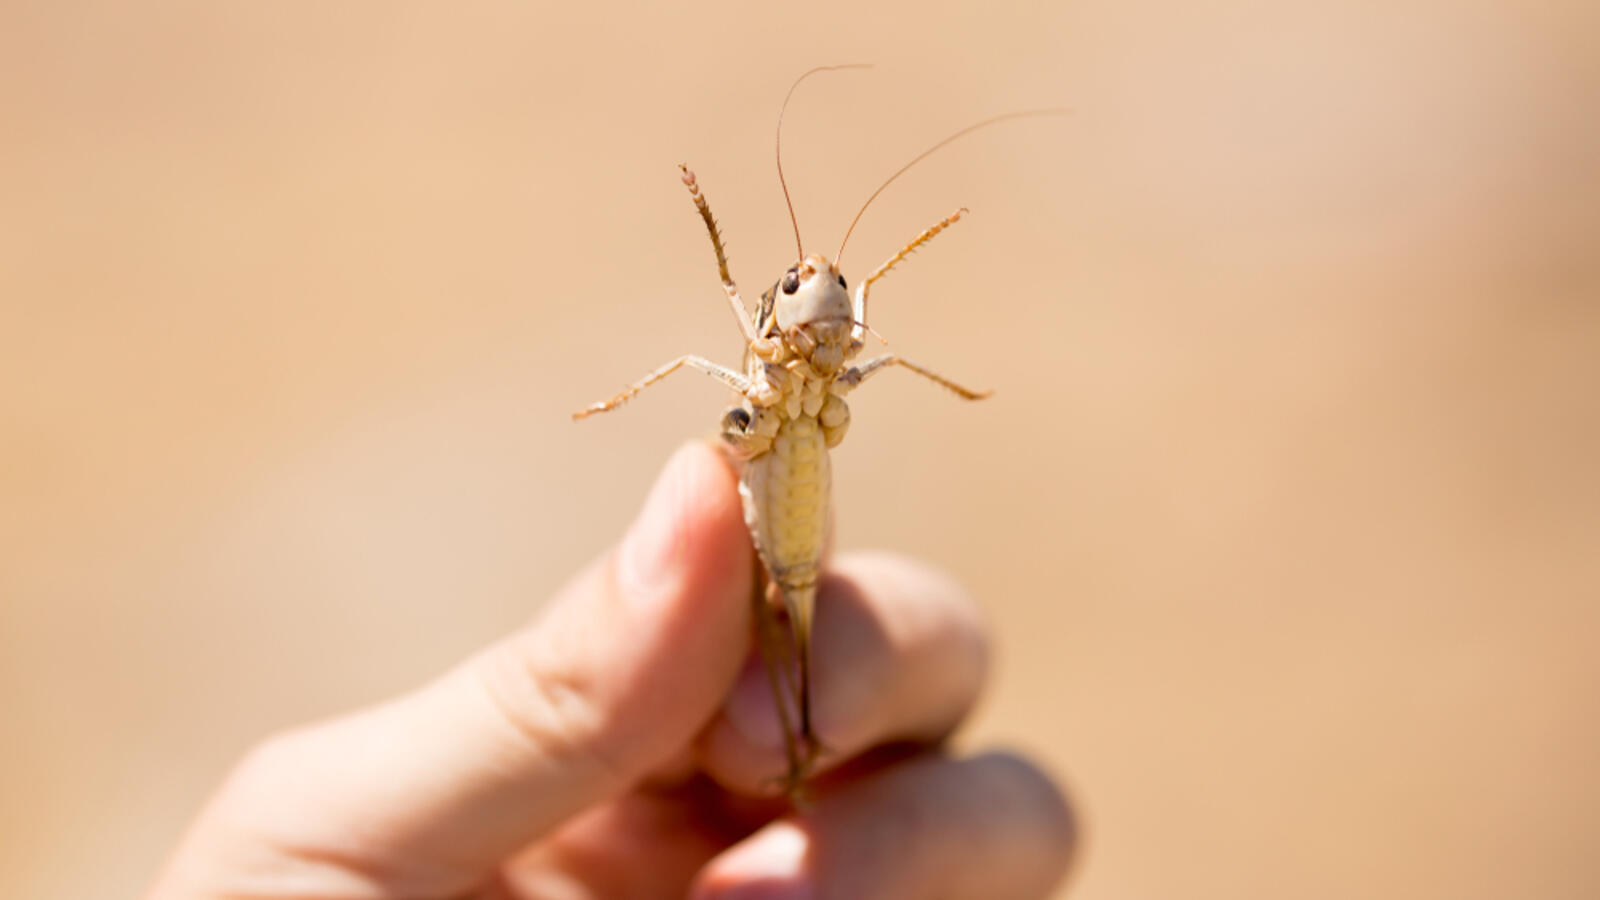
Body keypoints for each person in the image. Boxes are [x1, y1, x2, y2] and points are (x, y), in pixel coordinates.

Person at [145, 443, 1077, 898]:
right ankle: (791, 752)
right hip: (766, 545)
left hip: (801, 574)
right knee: (796, 687)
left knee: (808, 671)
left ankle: (795, 758)